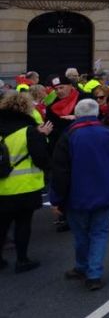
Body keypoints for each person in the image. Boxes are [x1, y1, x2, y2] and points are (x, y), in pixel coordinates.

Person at [50, 99, 109, 290]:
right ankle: (94, 273)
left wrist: (56, 199)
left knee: (81, 234)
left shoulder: (68, 136)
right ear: (97, 113)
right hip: (106, 192)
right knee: (99, 233)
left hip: (77, 196)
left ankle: (83, 267)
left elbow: (60, 172)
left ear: (76, 115)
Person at [0, 92, 52, 272]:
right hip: (25, 185)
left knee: (2, 224)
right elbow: (40, 159)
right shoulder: (29, 131)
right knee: (23, 224)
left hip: (2, 185)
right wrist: (43, 137)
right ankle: (22, 260)